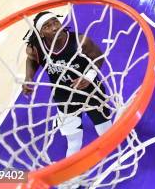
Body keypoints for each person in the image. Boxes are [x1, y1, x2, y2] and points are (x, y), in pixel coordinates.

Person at [22, 12, 112, 157]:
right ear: (41, 33)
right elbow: (31, 59)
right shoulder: (36, 48)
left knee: (106, 133)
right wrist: (29, 77)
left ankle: (113, 156)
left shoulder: (81, 41)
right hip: (64, 97)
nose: (54, 28)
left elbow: (98, 57)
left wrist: (88, 77)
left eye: (55, 22)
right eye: (47, 26)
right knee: (74, 142)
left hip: (91, 92)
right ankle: (71, 175)